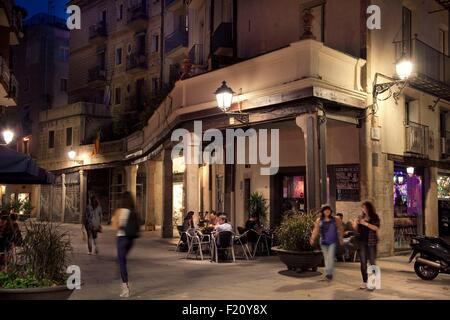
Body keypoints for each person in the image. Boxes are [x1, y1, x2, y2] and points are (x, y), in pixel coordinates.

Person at [111, 192, 140, 298]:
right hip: (131, 240)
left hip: (122, 238)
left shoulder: (119, 211)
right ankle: (123, 281)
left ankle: (125, 286)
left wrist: (118, 220)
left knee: (122, 262)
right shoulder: (133, 212)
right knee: (122, 260)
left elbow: (114, 225)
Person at [310, 205, 344, 281]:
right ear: (323, 211)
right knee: (326, 258)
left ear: (330, 211)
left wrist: (341, 238)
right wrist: (312, 238)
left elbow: (340, 228)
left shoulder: (336, 219)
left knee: (331, 257)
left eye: (328, 210)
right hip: (323, 241)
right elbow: (316, 230)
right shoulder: (319, 220)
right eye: (325, 210)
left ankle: (329, 274)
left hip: (333, 241)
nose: (327, 211)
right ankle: (328, 273)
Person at [352, 201, 380, 290]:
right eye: (362, 208)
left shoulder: (374, 217)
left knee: (372, 262)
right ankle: (364, 281)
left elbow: (376, 228)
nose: (363, 209)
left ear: (369, 208)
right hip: (361, 242)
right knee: (363, 263)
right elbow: (355, 229)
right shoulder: (360, 217)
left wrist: (366, 224)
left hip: (371, 242)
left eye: (365, 207)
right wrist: (355, 223)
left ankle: (372, 283)